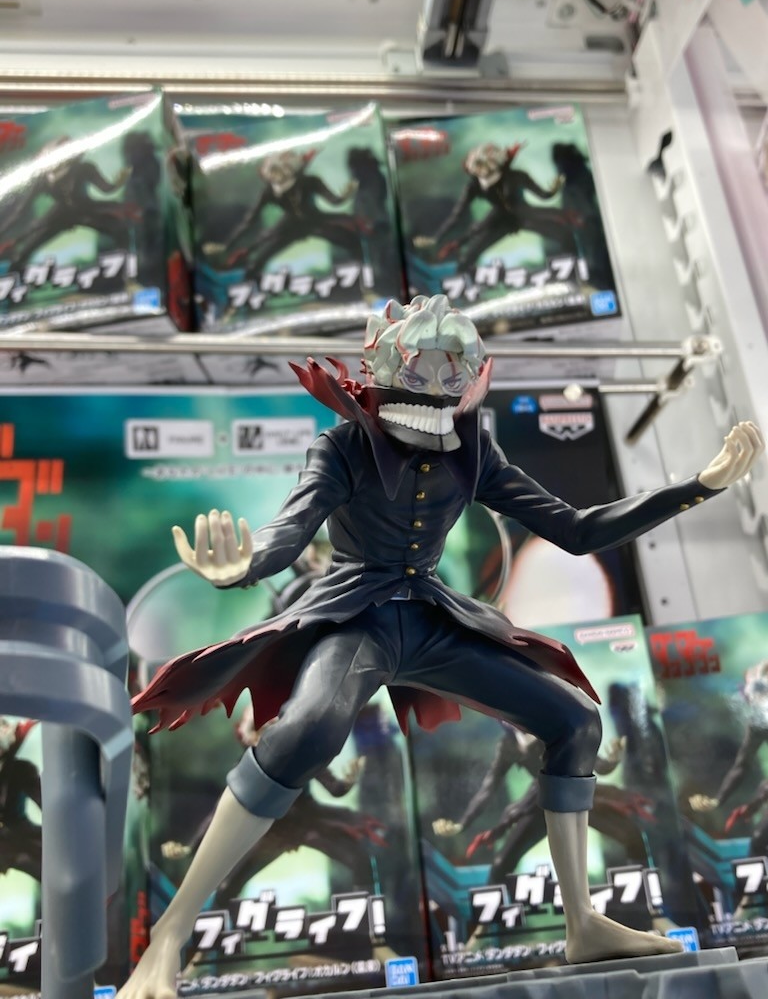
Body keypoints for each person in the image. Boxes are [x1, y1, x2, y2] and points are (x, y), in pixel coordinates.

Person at [118, 293, 763, 999]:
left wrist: (695, 488)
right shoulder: (343, 447)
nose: (436, 387)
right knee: (306, 730)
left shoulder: (475, 450)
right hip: (356, 619)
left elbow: (576, 530)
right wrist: (243, 567)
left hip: (432, 618)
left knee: (576, 720)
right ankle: (170, 937)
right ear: (386, 368)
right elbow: (291, 531)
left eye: (452, 370)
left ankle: (582, 922)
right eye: (422, 368)